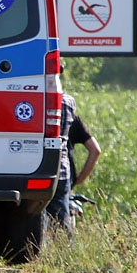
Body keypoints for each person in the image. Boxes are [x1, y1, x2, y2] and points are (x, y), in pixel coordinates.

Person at [47, 90, 100, 232]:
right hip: (62, 176)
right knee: (61, 230)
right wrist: (78, 180)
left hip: (30, 173)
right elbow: (95, 150)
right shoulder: (70, 113)